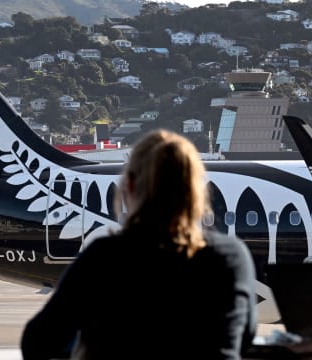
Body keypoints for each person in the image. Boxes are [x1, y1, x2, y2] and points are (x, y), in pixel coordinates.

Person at [21, 129, 257, 360]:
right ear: (196, 189)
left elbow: (38, 342)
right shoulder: (231, 257)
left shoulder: (105, 257)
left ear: (130, 186)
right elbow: (244, 337)